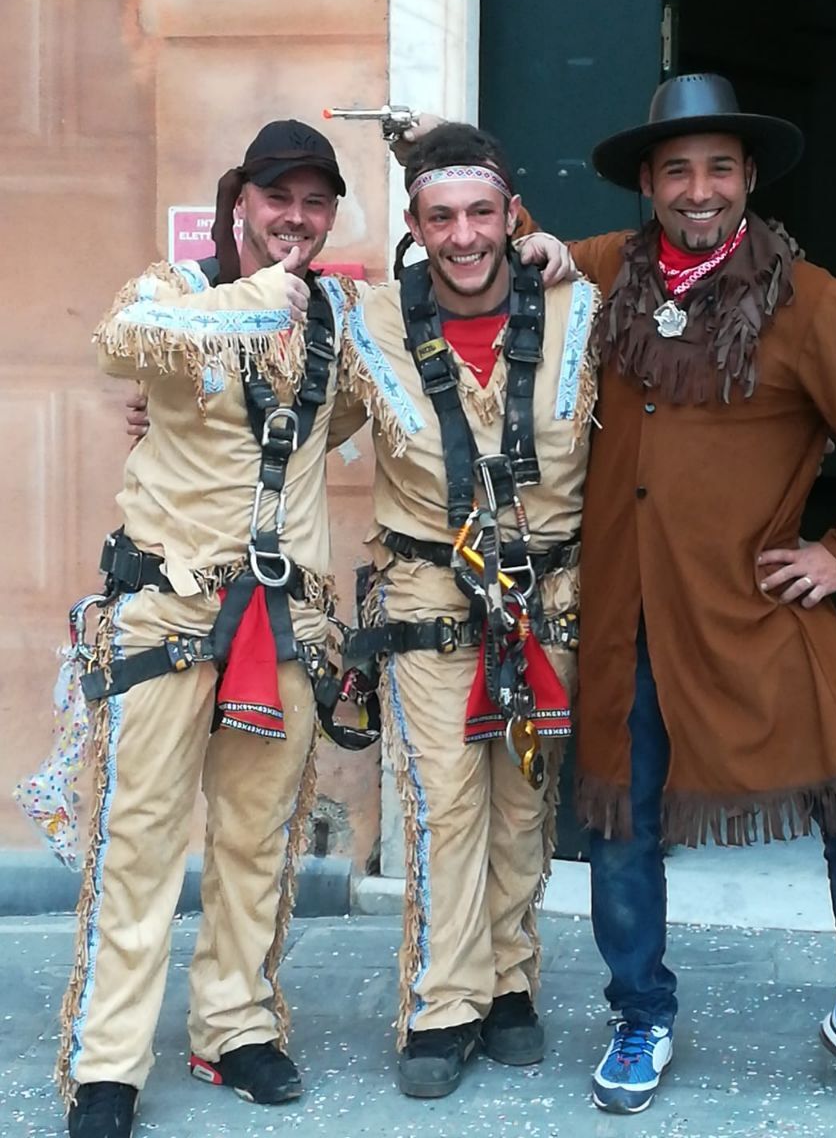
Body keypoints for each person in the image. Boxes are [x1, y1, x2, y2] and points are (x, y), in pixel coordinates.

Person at [518, 74, 836, 1123]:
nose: (698, 189)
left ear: (748, 177)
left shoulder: (810, 300)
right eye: (677, 170)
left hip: (760, 610)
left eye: (718, 167)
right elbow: (498, 259)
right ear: (649, 186)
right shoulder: (609, 272)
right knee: (621, 820)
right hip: (630, 611)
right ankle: (641, 1012)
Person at [59, 120, 374, 1138]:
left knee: (258, 841)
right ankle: (106, 1060)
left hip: (282, 626)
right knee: (139, 841)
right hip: (167, 612)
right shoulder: (178, 290)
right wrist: (249, 303)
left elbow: (373, 408)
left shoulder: (336, 318)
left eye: (315, 202)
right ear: (240, 201)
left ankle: (236, 1025)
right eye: (278, 197)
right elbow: (115, 340)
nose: (295, 218)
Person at [335, 121, 597, 1097]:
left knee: (526, 796)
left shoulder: (580, 307)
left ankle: (512, 983)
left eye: (481, 212)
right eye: (441, 216)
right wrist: (179, 408)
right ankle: (443, 1003)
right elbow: (304, 424)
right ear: (415, 224)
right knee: (445, 806)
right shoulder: (371, 324)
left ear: (511, 213)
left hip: (549, 599)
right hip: (426, 597)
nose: (464, 235)